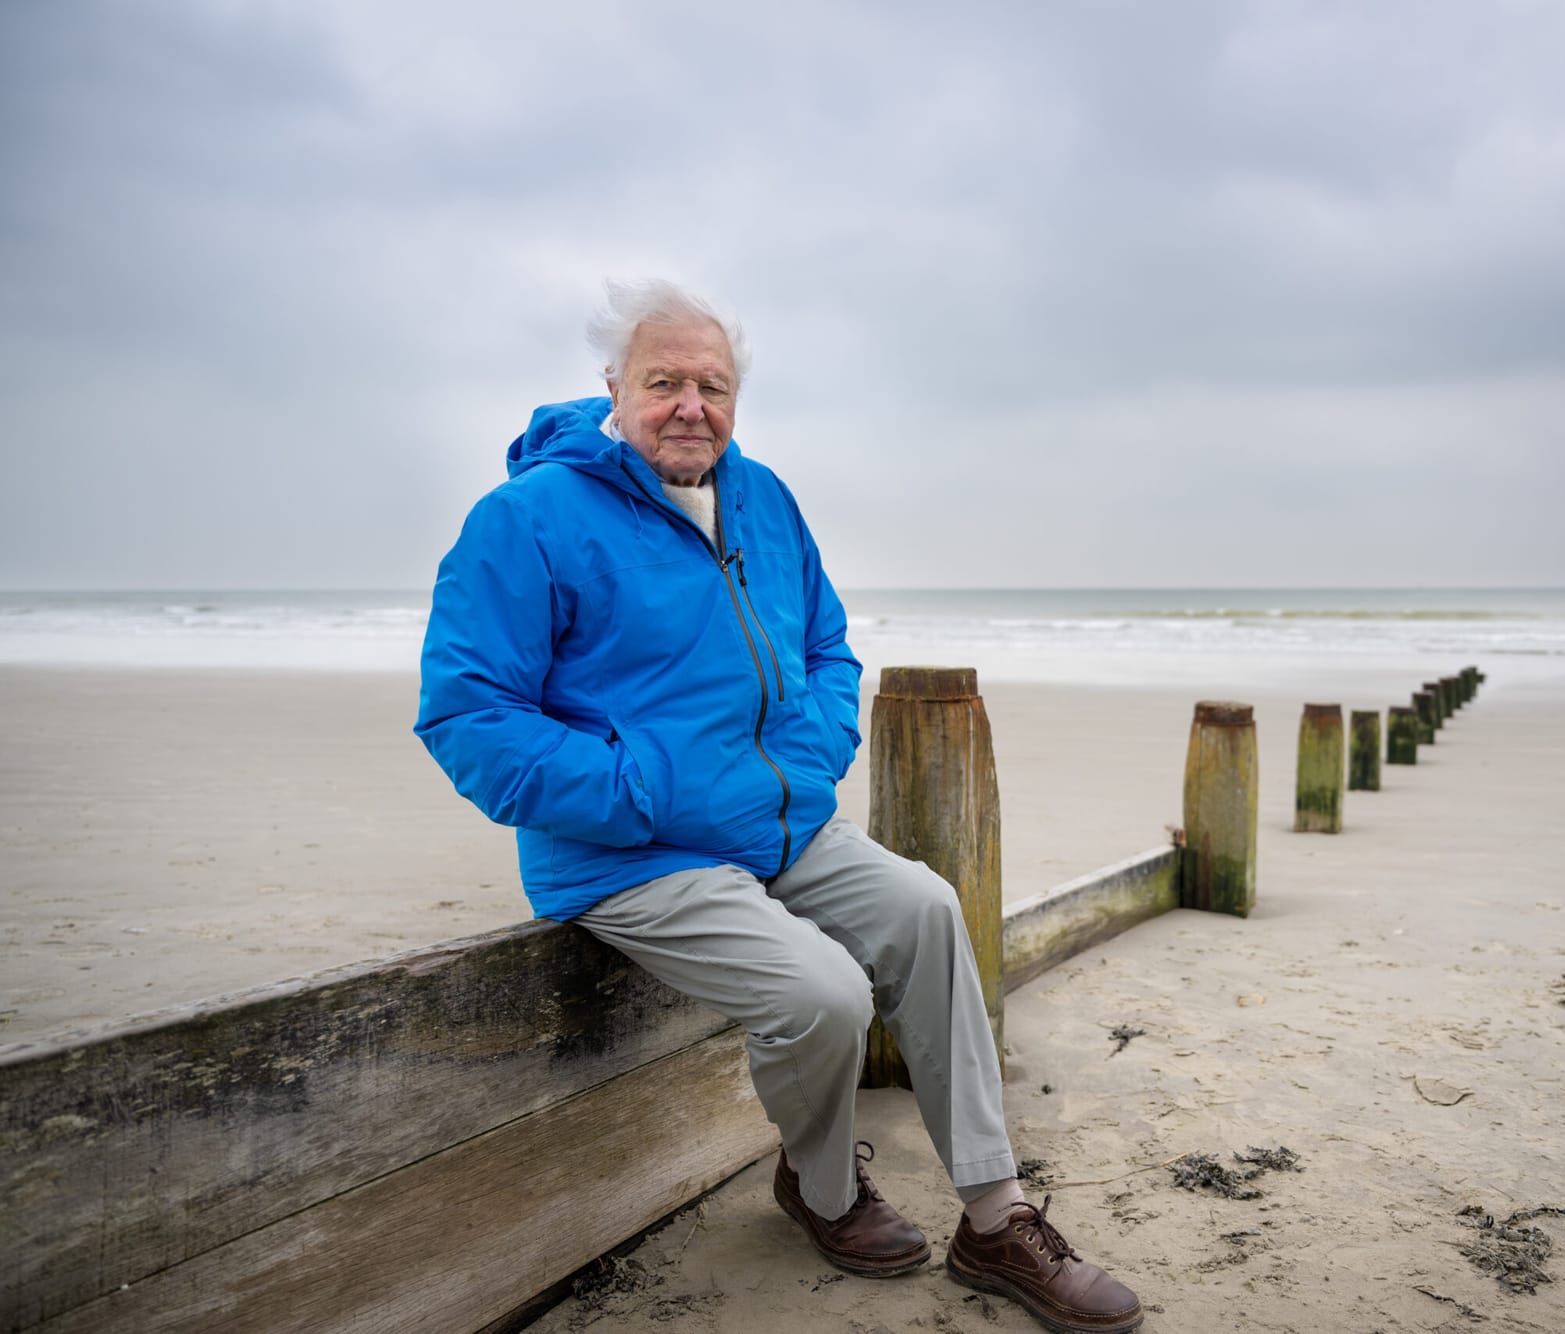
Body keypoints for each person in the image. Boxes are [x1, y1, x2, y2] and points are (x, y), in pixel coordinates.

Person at [415, 279, 1143, 1333]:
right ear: (612, 387)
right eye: (663, 381)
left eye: (711, 385)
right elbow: (469, 715)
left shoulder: (763, 497)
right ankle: (821, 1186)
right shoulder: (526, 520)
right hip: (633, 852)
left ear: (735, 399)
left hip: (778, 822)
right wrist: (637, 789)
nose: (689, 406)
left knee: (929, 908)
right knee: (825, 993)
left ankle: (995, 1212)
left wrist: (810, 754)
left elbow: (825, 648)